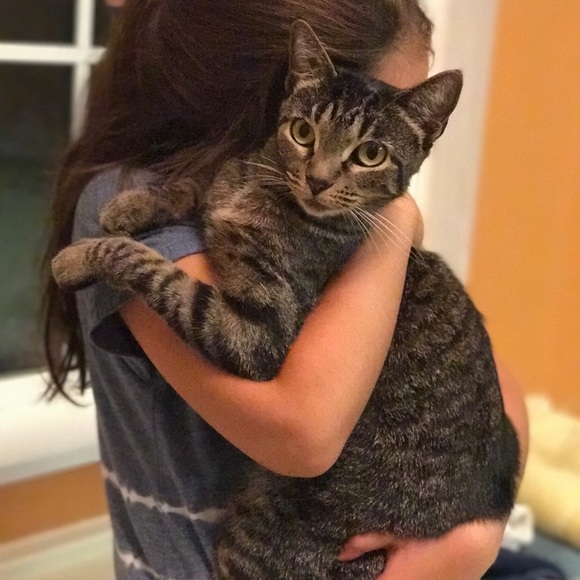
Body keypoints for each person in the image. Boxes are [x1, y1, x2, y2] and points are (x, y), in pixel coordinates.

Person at [41, 1, 528, 578]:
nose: (321, 176)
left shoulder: (338, 218)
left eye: (372, 151)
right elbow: (303, 434)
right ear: (279, 92)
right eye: (306, 133)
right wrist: (397, 220)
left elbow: (503, 396)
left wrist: (475, 535)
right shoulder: (131, 203)